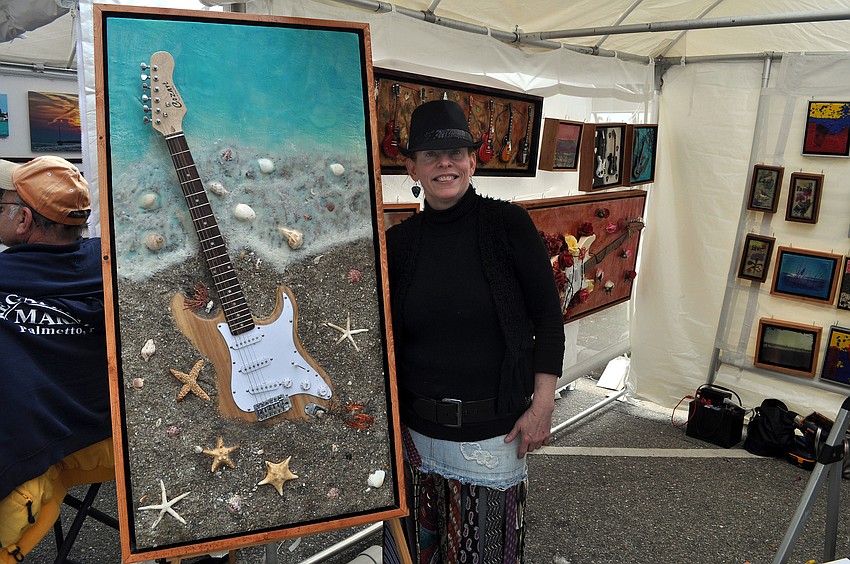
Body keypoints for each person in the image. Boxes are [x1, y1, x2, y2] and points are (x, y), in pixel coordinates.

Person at [385, 100, 566, 563]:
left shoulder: (507, 225)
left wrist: (542, 406)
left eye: (457, 153)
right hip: (415, 439)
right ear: (412, 168)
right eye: (430, 155)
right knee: (414, 556)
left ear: (472, 160)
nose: (445, 163)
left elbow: (547, 318)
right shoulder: (399, 244)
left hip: (493, 436)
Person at [0, 157, 111, 560]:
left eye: (1, 205)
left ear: (24, 220)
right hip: (112, 434)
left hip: (31, 455)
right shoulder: (115, 265)